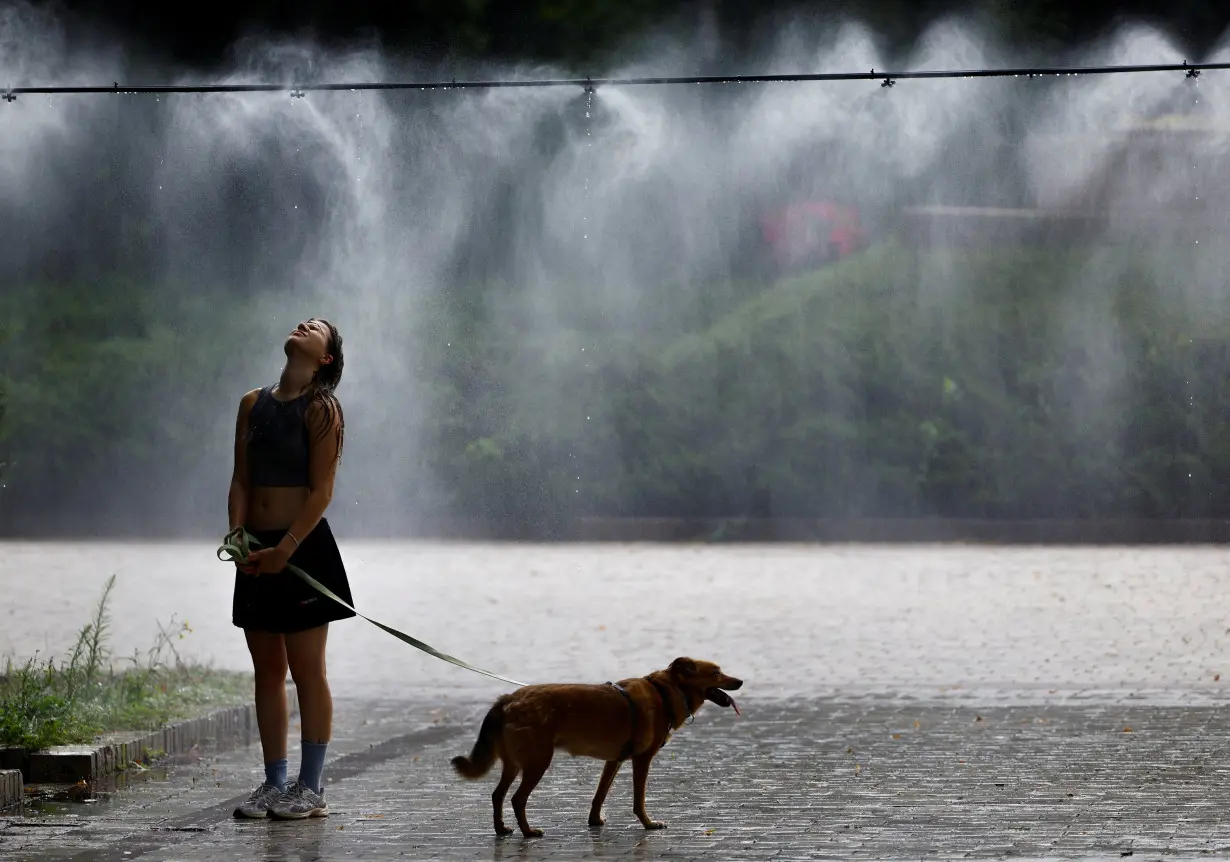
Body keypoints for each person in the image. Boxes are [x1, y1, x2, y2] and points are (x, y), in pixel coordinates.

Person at [226, 317, 356, 820]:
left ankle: (311, 787)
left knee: (307, 672)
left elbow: (322, 492)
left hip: (302, 550)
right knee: (267, 672)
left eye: (317, 328)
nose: (305, 325)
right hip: (255, 551)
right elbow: (240, 478)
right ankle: (274, 782)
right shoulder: (251, 403)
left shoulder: (321, 408)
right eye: (305, 321)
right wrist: (236, 534)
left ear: (325, 358)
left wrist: (287, 548)